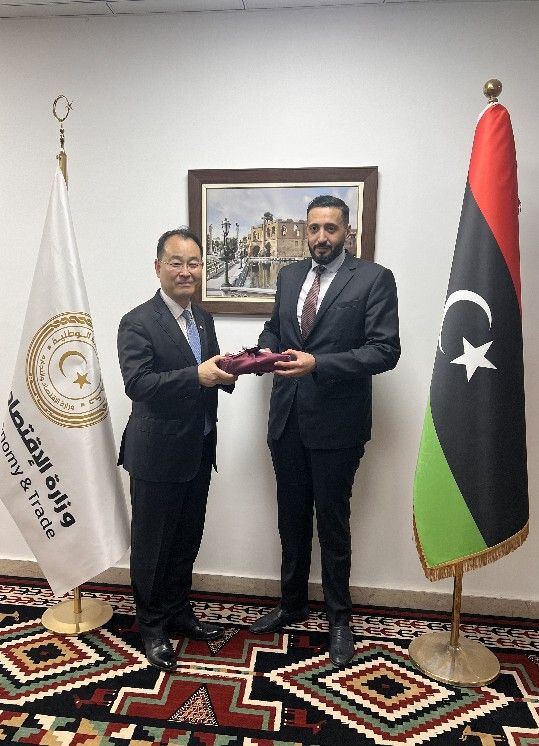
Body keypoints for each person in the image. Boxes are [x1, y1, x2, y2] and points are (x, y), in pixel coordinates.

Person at [250, 195, 400, 667]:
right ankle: (292, 604)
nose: (320, 237)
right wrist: (263, 351)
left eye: (330, 228)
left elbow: (385, 351)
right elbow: (275, 330)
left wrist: (319, 364)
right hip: (287, 420)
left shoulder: (374, 279)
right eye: (313, 228)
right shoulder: (289, 276)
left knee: (332, 524)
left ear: (346, 232)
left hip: (337, 426)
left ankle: (339, 619)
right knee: (290, 520)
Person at [117, 227, 236, 672]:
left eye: (194, 263)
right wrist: (197, 376)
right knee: (152, 545)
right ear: (158, 267)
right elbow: (138, 384)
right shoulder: (137, 322)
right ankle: (151, 626)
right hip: (156, 454)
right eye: (176, 263)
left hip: (199, 448)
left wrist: (237, 369)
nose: (186, 271)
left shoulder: (202, 318)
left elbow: (212, 368)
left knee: (187, 537)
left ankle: (178, 610)